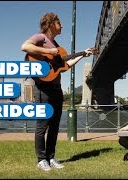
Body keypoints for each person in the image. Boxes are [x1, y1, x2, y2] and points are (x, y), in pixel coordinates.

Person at [21, 12, 93, 171]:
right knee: (42, 125)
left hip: (56, 89)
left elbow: (65, 66)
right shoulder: (41, 38)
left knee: (54, 126)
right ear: (51, 23)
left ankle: (50, 158)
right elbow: (25, 46)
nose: (62, 26)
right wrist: (50, 52)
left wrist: (83, 55)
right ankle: (41, 160)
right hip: (43, 89)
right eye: (59, 22)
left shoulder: (57, 45)